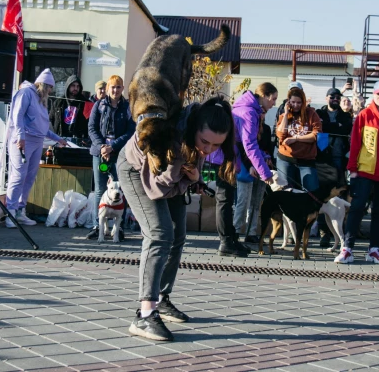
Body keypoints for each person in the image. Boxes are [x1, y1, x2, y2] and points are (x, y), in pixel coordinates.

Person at [117, 97, 236, 341]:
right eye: (205, 142)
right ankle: (145, 314)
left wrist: (193, 177)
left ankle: (161, 298)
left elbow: (183, 174)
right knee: (160, 234)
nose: (208, 150)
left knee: (178, 235)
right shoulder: (175, 142)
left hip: (168, 176)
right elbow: (157, 190)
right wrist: (191, 179)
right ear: (195, 129)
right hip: (136, 171)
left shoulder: (197, 132)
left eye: (216, 145)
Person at [336, 80, 379, 265]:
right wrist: (352, 169)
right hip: (364, 171)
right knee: (357, 209)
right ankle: (347, 249)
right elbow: (355, 143)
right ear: (373, 94)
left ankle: (374, 250)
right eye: (378, 94)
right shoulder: (364, 115)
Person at [6, 69, 68, 228]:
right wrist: (20, 136)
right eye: (49, 88)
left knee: (29, 176)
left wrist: (57, 138)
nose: (50, 92)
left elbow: (41, 127)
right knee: (19, 175)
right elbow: (17, 115)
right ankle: (10, 212)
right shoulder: (25, 93)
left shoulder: (40, 100)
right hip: (24, 140)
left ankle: (20, 210)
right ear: (43, 85)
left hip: (37, 140)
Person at [86, 75, 135, 240]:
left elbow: (131, 131)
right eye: (112, 87)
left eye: (118, 87)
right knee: (101, 189)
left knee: (121, 189)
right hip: (100, 154)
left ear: (122, 89)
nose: (115, 90)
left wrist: (112, 147)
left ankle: (119, 228)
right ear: (107, 89)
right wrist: (102, 147)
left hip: (119, 154)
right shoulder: (98, 105)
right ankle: (97, 225)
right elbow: (92, 128)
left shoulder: (128, 107)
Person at [232, 83, 278, 246]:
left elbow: (258, 147)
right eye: (273, 99)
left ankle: (250, 232)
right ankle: (235, 232)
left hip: (256, 165)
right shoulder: (249, 113)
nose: (273, 104)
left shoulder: (254, 115)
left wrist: (266, 158)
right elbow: (247, 145)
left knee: (256, 202)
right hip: (245, 166)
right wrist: (265, 173)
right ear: (264, 96)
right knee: (242, 201)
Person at [316, 88, 353, 247]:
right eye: (332, 96)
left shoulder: (345, 116)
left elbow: (344, 128)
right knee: (322, 197)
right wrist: (334, 126)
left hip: (339, 159)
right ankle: (324, 233)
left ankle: (339, 234)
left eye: (338, 97)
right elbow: (320, 128)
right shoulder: (319, 113)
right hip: (322, 160)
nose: (336, 99)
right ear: (326, 98)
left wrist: (331, 126)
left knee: (338, 198)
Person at [275, 87, 322, 191]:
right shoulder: (284, 115)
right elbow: (280, 134)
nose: (296, 105)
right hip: (285, 159)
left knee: (312, 192)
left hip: (306, 160)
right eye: (293, 102)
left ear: (303, 102)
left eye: (299, 102)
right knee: (286, 191)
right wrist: (286, 114)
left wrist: (296, 138)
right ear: (288, 102)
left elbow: (316, 135)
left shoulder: (311, 114)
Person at [49, 75, 90, 141]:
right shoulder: (58, 103)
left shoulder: (86, 103)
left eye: (78, 86)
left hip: (78, 141)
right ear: (68, 86)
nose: (75, 88)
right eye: (73, 85)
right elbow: (50, 120)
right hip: (60, 140)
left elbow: (90, 124)